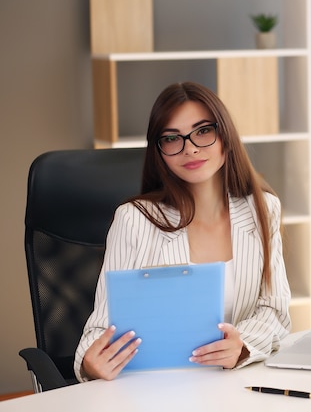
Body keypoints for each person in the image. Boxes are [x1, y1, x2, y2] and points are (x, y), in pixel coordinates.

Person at [74, 81, 292, 382]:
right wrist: (90, 363)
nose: (189, 148)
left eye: (203, 131)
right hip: (155, 387)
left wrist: (241, 346)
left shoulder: (261, 210)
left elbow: (274, 311)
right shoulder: (134, 220)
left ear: (225, 136)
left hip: (236, 385)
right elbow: (102, 326)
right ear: (159, 151)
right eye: (172, 138)